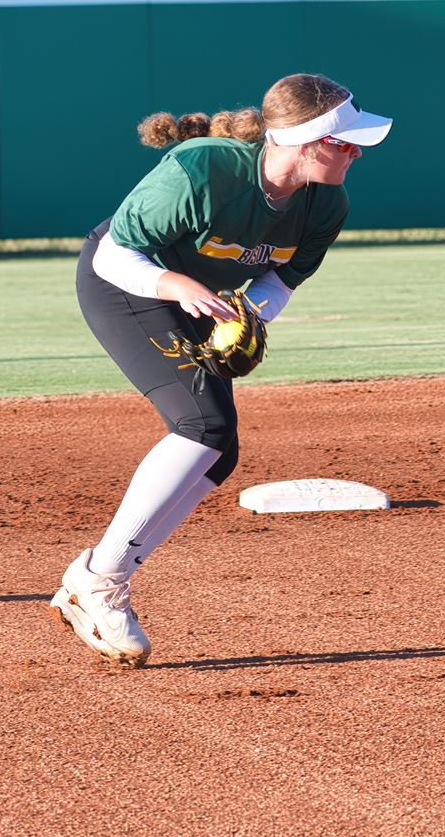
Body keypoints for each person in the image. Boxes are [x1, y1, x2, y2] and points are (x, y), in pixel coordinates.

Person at [49, 73, 392, 667]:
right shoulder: (203, 171)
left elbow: (278, 281)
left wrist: (246, 316)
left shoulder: (325, 202)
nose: (357, 151)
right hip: (128, 281)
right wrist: (175, 284)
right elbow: (113, 255)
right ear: (302, 141)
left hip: (200, 297)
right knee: (201, 426)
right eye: (344, 141)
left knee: (219, 447)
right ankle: (98, 581)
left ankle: (98, 578)